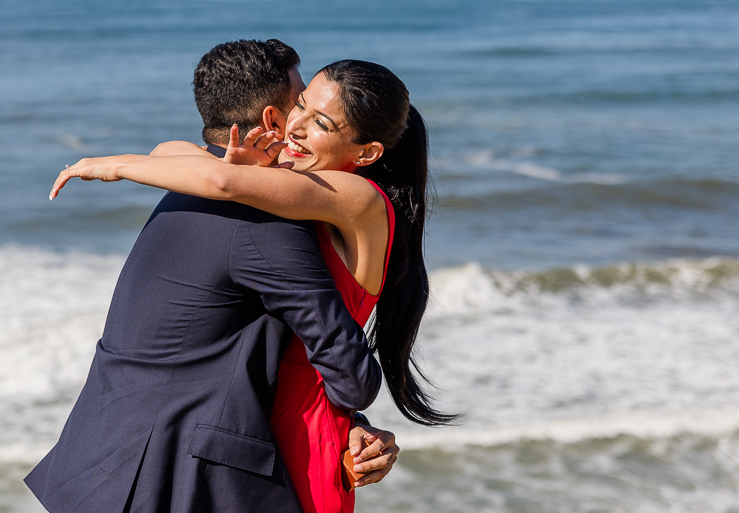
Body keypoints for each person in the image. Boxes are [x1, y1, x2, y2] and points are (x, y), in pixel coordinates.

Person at [52, 55, 454, 513]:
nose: (295, 127)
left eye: (320, 122)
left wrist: (114, 165)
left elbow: (220, 181)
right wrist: (253, 172)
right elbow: (174, 151)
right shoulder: (295, 191)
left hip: (304, 431)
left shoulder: (359, 198)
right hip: (260, 413)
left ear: (366, 154)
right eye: (299, 105)